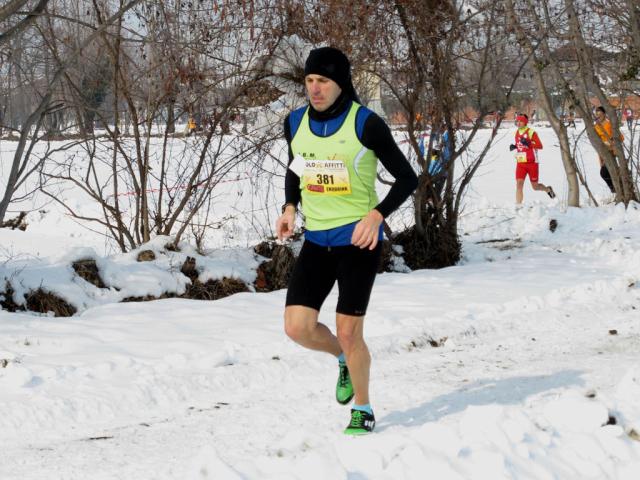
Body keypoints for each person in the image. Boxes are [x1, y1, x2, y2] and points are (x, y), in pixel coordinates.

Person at [275, 47, 418, 435]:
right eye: (309, 81)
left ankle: (364, 408)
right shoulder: (295, 122)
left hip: (358, 240)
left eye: (323, 81)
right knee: (297, 327)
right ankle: (342, 360)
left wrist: (377, 215)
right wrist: (290, 207)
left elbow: (408, 179)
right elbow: (297, 166)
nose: (315, 89)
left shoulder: (366, 124)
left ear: (340, 83)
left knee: (350, 330)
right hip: (317, 241)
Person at [509, 113, 555, 204]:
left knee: (535, 187)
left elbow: (540, 146)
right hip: (521, 163)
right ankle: (518, 206)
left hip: (532, 163)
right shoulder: (517, 133)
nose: (518, 123)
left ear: (525, 122)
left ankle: (547, 189)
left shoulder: (531, 132)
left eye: (520, 121)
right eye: (517, 121)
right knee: (519, 185)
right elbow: (521, 146)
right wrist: (515, 146)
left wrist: (529, 143)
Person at [594, 105, 624, 193]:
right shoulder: (596, 127)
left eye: (600, 113)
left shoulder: (609, 124)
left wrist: (611, 141)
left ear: (604, 114)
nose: (598, 115)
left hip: (611, 151)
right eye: (596, 114)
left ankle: (615, 190)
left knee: (603, 172)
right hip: (602, 152)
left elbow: (621, 137)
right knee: (608, 172)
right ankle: (617, 190)